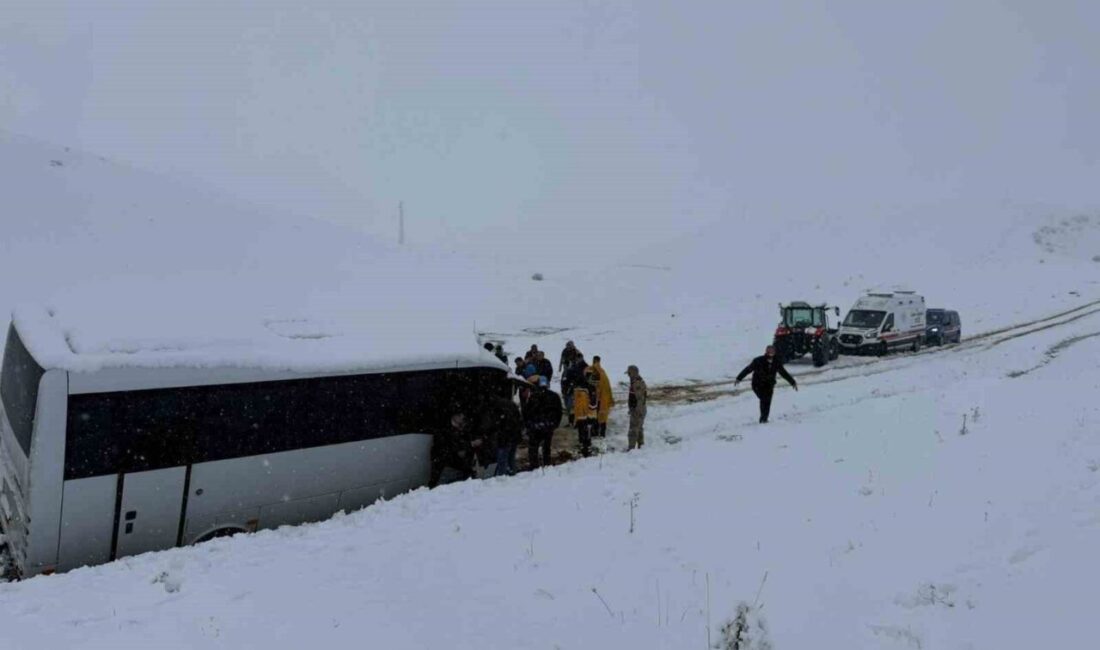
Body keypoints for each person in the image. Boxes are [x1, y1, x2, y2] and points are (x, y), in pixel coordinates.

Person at [735, 345, 798, 423]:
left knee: (767, 402)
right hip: (757, 384)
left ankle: (764, 419)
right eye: (769, 351)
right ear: (766, 352)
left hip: (769, 385)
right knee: (764, 399)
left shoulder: (776, 362)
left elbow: (783, 373)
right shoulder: (758, 360)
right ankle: (763, 419)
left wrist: (792, 382)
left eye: (773, 351)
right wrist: (739, 378)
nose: (771, 353)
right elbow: (748, 369)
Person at [478, 394, 524, 476]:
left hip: (504, 437)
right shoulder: (509, 404)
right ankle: (512, 475)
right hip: (514, 435)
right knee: (511, 458)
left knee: (502, 459)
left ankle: (502, 478)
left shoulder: (496, 408)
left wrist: (487, 433)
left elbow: (496, 424)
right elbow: (518, 419)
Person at [523, 376, 563, 469]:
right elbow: (559, 411)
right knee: (546, 446)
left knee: (533, 447)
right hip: (548, 426)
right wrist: (555, 424)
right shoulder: (554, 396)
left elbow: (527, 412)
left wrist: (529, 424)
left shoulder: (534, 396)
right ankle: (546, 464)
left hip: (535, 426)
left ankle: (534, 466)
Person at [429, 412, 477, 487]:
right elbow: (449, 445)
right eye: (461, 416)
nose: (462, 419)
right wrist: (468, 445)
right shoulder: (445, 429)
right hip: (445, 462)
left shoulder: (461, 430)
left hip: (453, 463)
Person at [573, 372, 598, 457]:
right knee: (587, 436)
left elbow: (576, 403)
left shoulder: (578, 388)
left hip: (580, 416)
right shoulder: (591, 389)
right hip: (588, 416)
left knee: (582, 435)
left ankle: (583, 449)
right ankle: (586, 451)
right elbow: (593, 405)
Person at [561, 353, 588, 426]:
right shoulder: (575, 367)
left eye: (578, 358)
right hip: (573, 389)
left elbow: (583, 379)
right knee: (573, 407)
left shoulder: (583, 367)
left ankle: (575, 422)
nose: (577, 360)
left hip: (577, 389)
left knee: (575, 406)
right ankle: (573, 422)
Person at [590, 355, 614, 437]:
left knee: (595, 417)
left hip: (597, 400)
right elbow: (608, 388)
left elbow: (595, 387)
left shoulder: (594, 372)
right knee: (602, 417)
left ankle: (595, 432)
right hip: (603, 399)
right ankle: (602, 433)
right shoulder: (603, 372)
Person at [625, 365, 647, 450]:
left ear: (633, 373)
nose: (628, 375)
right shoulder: (636, 381)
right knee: (639, 428)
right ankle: (641, 446)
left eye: (629, 373)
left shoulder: (637, 383)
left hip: (638, 410)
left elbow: (640, 399)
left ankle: (631, 449)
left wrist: (636, 411)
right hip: (639, 409)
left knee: (633, 430)